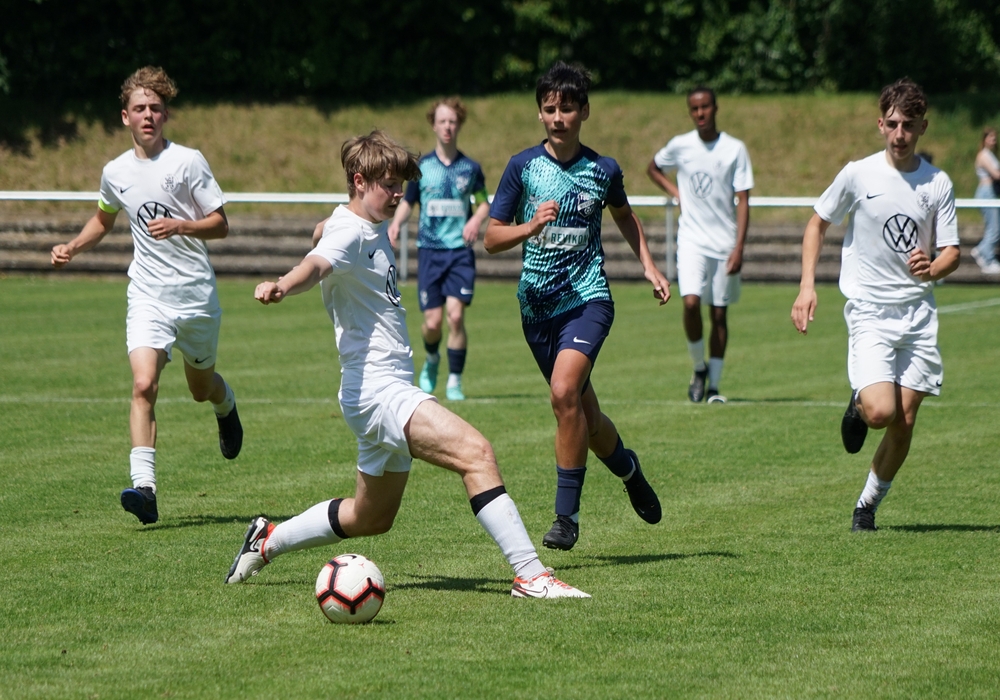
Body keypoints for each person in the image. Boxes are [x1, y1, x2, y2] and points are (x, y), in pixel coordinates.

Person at [228, 130, 588, 599]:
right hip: (379, 391)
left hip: (373, 390)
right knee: (476, 453)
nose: (399, 194)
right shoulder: (349, 231)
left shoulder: (356, 221)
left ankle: (267, 540)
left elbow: (323, 233)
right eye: (390, 185)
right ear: (359, 181)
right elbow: (316, 263)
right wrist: (282, 283)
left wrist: (323, 229)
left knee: (370, 516)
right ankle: (531, 576)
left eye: (401, 184)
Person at [484, 62, 668, 551]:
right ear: (540, 114)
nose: (558, 117)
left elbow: (625, 216)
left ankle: (566, 518)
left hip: (588, 299)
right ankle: (629, 470)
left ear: (584, 111)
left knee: (564, 392)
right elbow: (491, 238)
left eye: (567, 108)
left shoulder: (602, 169)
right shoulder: (522, 167)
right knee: (586, 417)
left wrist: (649, 266)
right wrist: (528, 227)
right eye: (549, 109)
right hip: (535, 309)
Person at [50, 66, 242, 526]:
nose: (148, 115)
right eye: (140, 108)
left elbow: (220, 224)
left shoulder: (188, 162)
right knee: (143, 384)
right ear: (125, 117)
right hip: (148, 294)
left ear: (166, 114)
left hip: (195, 297)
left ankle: (226, 405)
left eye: (156, 108)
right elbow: (104, 218)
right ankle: (145, 489)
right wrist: (73, 246)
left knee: (200, 389)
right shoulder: (115, 172)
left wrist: (182, 225)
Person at [790, 77, 960, 532]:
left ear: (922, 126)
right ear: (880, 124)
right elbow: (816, 224)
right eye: (893, 123)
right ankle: (860, 402)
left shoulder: (937, 182)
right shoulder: (858, 174)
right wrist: (807, 286)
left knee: (905, 420)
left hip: (918, 314)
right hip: (870, 310)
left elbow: (952, 252)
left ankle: (866, 506)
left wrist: (932, 268)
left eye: (909, 124)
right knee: (882, 412)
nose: (900, 133)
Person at [647, 87, 753, 404]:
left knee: (719, 314)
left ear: (715, 108)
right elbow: (653, 167)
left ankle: (715, 387)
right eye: (694, 109)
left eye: (705, 107)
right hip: (691, 239)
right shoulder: (681, 145)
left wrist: (739, 247)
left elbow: (744, 200)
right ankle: (698, 368)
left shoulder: (734, 149)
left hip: (724, 242)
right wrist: (675, 193)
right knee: (691, 303)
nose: (700, 113)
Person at [385, 97, 490, 401]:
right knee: (432, 323)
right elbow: (408, 202)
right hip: (430, 251)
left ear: (459, 125)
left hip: (459, 253)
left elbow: (483, 203)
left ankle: (455, 380)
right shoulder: (423, 167)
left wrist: (476, 221)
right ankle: (432, 358)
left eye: (452, 121)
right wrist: (396, 224)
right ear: (433, 125)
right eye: (442, 121)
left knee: (455, 318)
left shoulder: (470, 168)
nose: (447, 127)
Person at [971, 127, 1000, 275]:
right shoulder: (983, 155)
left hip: (992, 193)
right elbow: (996, 174)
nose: (993, 141)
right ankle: (985, 255)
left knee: (994, 227)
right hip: (986, 193)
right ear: (984, 139)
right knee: (994, 228)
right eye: (990, 138)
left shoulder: (991, 155)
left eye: (994, 138)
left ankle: (983, 252)